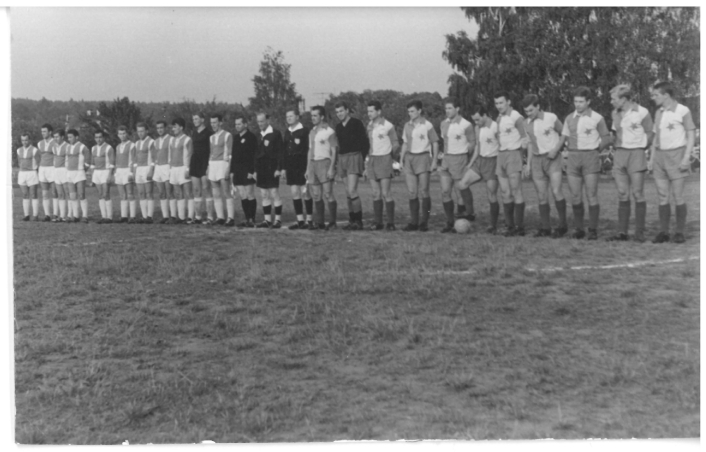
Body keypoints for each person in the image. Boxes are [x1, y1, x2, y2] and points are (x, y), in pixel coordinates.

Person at [649, 81, 696, 244]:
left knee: (678, 196)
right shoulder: (658, 112)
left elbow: (691, 135)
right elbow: (656, 137)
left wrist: (686, 157)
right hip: (659, 157)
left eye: (656, 95)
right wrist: (651, 158)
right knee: (662, 196)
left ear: (666, 95)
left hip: (677, 156)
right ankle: (664, 232)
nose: (653, 98)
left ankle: (679, 232)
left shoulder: (683, 110)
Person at [561, 86, 611, 240]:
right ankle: (579, 229)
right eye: (576, 101)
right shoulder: (569, 118)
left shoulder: (597, 118)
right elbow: (564, 138)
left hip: (590, 157)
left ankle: (593, 230)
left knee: (591, 194)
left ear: (588, 102)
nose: (578, 104)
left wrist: (595, 150)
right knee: (575, 195)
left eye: (581, 101)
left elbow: (607, 138)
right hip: (573, 158)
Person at [607, 85, 654, 242]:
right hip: (620, 154)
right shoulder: (614, 113)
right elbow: (615, 134)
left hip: (636, 154)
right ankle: (622, 232)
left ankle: (639, 232)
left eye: (613, 99)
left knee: (637, 193)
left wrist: (640, 148)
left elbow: (650, 133)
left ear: (624, 99)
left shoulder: (642, 112)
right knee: (622, 193)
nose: (611, 102)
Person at [522, 94, 568, 238]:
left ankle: (562, 226)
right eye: (526, 111)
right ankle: (545, 228)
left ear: (538, 106)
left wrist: (556, 150)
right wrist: (528, 164)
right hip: (537, 160)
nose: (528, 113)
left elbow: (564, 134)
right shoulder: (526, 123)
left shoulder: (551, 117)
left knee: (556, 191)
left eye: (531, 110)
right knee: (541, 195)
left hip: (552, 158)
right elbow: (530, 144)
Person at [438, 98, 476, 233]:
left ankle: (462, 219)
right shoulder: (443, 123)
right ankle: (449, 221)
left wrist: (464, 155)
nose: (447, 111)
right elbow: (445, 142)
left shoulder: (466, 124)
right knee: (445, 191)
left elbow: (472, 142)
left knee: (459, 191)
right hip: (446, 160)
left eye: (450, 108)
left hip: (459, 158)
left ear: (457, 109)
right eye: (446, 108)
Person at [400, 100, 439, 232]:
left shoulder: (427, 125)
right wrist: (401, 159)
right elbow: (405, 143)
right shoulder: (407, 125)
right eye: (408, 111)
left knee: (424, 191)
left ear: (419, 111)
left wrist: (434, 161)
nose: (410, 114)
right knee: (412, 192)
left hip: (423, 157)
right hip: (409, 158)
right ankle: (414, 222)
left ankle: (424, 222)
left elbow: (435, 142)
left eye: (412, 111)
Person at [494, 91, 529, 237]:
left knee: (516, 191)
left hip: (514, 154)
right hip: (501, 155)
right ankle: (509, 225)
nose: (499, 106)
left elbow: (525, 138)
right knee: (504, 192)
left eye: (501, 102)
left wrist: (522, 156)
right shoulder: (499, 118)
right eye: (496, 103)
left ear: (508, 102)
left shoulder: (516, 116)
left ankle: (520, 227)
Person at [465, 106, 501, 233]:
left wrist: (499, 164)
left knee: (491, 194)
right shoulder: (477, 128)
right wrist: (470, 163)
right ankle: (469, 213)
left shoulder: (495, 126)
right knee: (462, 184)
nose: (476, 122)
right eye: (474, 120)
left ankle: (493, 225)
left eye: (477, 119)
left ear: (485, 115)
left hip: (492, 162)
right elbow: (478, 147)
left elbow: (501, 146)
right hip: (480, 161)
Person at [334, 101, 370, 230]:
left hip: (354, 156)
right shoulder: (338, 127)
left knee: (352, 190)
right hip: (342, 158)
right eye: (337, 112)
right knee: (347, 192)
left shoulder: (356, 123)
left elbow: (365, 143)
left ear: (347, 110)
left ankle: (358, 221)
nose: (339, 114)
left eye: (341, 111)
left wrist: (361, 158)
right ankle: (352, 220)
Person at [365, 100, 399, 231]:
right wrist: (368, 159)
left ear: (379, 111)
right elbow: (369, 144)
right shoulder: (369, 125)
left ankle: (390, 223)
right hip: (372, 160)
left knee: (386, 193)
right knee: (375, 193)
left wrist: (390, 157)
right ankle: (378, 222)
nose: (369, 113)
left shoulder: (388, 126)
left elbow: (395, 144)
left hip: (384, 159)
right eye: (368, 111)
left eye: (371, 111)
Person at [307, 106, 339, 230]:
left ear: (322, 117)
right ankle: (320, 222)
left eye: (315, 115)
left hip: (324, 163)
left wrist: (331, 167)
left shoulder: (329, 131)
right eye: (312, 115)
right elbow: (310, 150)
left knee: (328, 193)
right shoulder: (312, 131)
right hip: (313, 164)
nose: (313, 118)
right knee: (316, 194)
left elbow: (334, 151)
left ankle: (332, 222)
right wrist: (308, 167)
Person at [254, 112, 284, 228]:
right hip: (261, 168)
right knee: (264, 194)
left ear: (268, 121)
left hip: (272, 167)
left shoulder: (276, 134)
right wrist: (255, 170)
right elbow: (256, 154)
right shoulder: (258, 135)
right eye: (258, 121)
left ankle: (278, 220)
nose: (260, 124)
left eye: (262, 121)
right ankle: (267, 220)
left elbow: (280, 152)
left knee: (274, 193)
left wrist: (279, 168)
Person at [283, 108, 312, 230]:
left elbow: (309, 149)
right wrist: (284, 167)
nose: (288, 118)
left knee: (305, 192)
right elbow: (284, 151)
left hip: (302, 164)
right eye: (287, 116)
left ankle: (309, 220)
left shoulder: (305, 130)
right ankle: (300, 220)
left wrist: (308, 168)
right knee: (295, 192)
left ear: (297, 117)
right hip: (291, 165)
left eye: (291, 116)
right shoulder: (287, 131)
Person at [231, 115, 258, 227]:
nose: (237, 126)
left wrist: (253, 171)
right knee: (243, 195)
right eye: (236, 124)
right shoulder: (236, 138)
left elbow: (255, 155)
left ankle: (252, 219)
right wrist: (232, 171)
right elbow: (233, 156)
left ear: (245, 125)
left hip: (248, 170)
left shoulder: (251, 137)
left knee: (250, 194)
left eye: (239, 124)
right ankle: (247, 218)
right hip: (238, 171)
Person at [208, 114, 236, 226]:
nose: (213, 125)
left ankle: (231, 218)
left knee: (226, 192)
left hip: (223, 164)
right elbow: (211, 153)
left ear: (220, 122)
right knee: (216, 193)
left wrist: (229, 167)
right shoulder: (211, 137)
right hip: (213, 165)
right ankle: (220, 217)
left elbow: (230, 153)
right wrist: (208, 166)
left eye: (215, 122)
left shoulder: (227, 135)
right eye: (211, 123)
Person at [190, 112, 215, 224]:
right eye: (193, 119)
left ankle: (210, 217)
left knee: (206, 188)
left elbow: (212, 149)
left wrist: (209, 164)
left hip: (205, 162)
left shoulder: (209, 133)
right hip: (195, 162)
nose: (194, 121)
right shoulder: (194, 132)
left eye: (196, 119)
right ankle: (198, 217)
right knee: (196, 190)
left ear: (202, 120)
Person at [168, 118, 193, 224]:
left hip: (183, 168)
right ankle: (181, 217)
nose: (173, 129)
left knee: (188, 193)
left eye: (175, 127)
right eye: (172, 127)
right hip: (174, 169)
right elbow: (170, 155)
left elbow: (190, 155)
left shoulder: (187, 139)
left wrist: (188, 169)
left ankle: (190, 217)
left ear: (181, 127)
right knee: (178, 193)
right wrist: (170, 169)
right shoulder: (171, 140)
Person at [65, 129, 91, 223]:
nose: (69, 139)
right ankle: (75, 216)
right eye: (68, 137)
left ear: (76, 137)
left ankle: (85, 216)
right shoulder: (67, 147)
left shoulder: (83, 147)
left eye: (71, 137)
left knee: (81, 194)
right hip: (70, 173)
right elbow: (66, 160)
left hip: (79, 173)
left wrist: (83, 169)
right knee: (72, 195)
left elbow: (88, 161)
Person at [90, 130, 115, 223]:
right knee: (100, 195)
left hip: (105, 171)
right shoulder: (93, 148)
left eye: (100, 137)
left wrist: (110, 175)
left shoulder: (109, 148)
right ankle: (103, 216)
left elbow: (112, 163)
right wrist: (93, 174)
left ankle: (109, 217)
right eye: (96, 137)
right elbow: (92, 163)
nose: (98, 139)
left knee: (106, 194)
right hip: (97, 172)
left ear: (104, 138)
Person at [134, 122, 156, 223]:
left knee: (149, 193)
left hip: (147, 168)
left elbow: (154, 158)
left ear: (147, 131)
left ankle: (150, 216)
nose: (140, 133)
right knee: (141, 193)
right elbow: (135, 158)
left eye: (142, 131)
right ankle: (144, 216)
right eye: (138, 131)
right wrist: (134, 171)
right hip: (139, 169)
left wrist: (151, 170)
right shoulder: (136, 143)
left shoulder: (151, 142)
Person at [115, 126, 137, 223]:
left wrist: (131, 172)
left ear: (127, 134)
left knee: (130, 194)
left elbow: (133, 160)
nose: (122, 136)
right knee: (122, 195)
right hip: (119, 171)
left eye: (124, 133)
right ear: (118, 135)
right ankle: (124, 216)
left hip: (127, 170)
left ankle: (132, 216)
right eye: (120, 134)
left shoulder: (132, 145)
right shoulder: (117, 146)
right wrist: (115, 173)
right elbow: (117, 161)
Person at [16, 133, 41, 221]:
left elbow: (39, 163)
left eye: (26, 140)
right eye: (22, 140)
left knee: (33, 194)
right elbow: (19, 162)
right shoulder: (18, 150)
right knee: (25, 194)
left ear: (29, 140)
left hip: (32, 173)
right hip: (22, 173)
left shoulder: (35, 150)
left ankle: (35, 215)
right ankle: (26, 215)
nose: (24, 142)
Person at [152, 120, 173, 223]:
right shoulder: (155, 141)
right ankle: (165, 216)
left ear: (165, 128)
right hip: (158, 167)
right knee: (161, 193)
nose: (160, 130)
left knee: (170, 192)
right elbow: (155, 156)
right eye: (158, 128)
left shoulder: (171, 139)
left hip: (167, 166)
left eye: (161, 128)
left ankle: (173, 216)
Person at [37, 123, 56, 221]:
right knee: (44, 194)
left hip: (52, 168)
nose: (42, 133)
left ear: (50, 132)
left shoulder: (55, 142)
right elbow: (39, 156)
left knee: (55, 192)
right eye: (42, 131)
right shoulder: (40, 143)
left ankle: (56, 214)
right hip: (42, 169)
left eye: (44, 131)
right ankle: (47, 215)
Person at [51, 129, 70, 222]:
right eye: (54, 137)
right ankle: (62, 215)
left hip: (65, 170)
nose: (55, 138)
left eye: (57, 137)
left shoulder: (67, 146)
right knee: (60, 194)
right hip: (56, 171)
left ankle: (70, 215)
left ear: (62, 137)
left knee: (68, 193)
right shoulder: (54, 147)